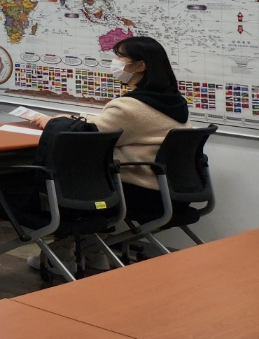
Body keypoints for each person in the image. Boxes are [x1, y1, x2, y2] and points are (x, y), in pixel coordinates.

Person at [25, 35, 189, 269]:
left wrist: (55, 122)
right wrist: (71, 117)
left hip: (139, 193)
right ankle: (95, 251)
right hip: (168, 189)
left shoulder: (131, 107)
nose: (115, 62)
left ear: (140, 66)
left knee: (74, 177)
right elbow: (105, 123)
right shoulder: (173, 102)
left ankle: (62, 254)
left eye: (121, 57)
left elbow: (93, 134)